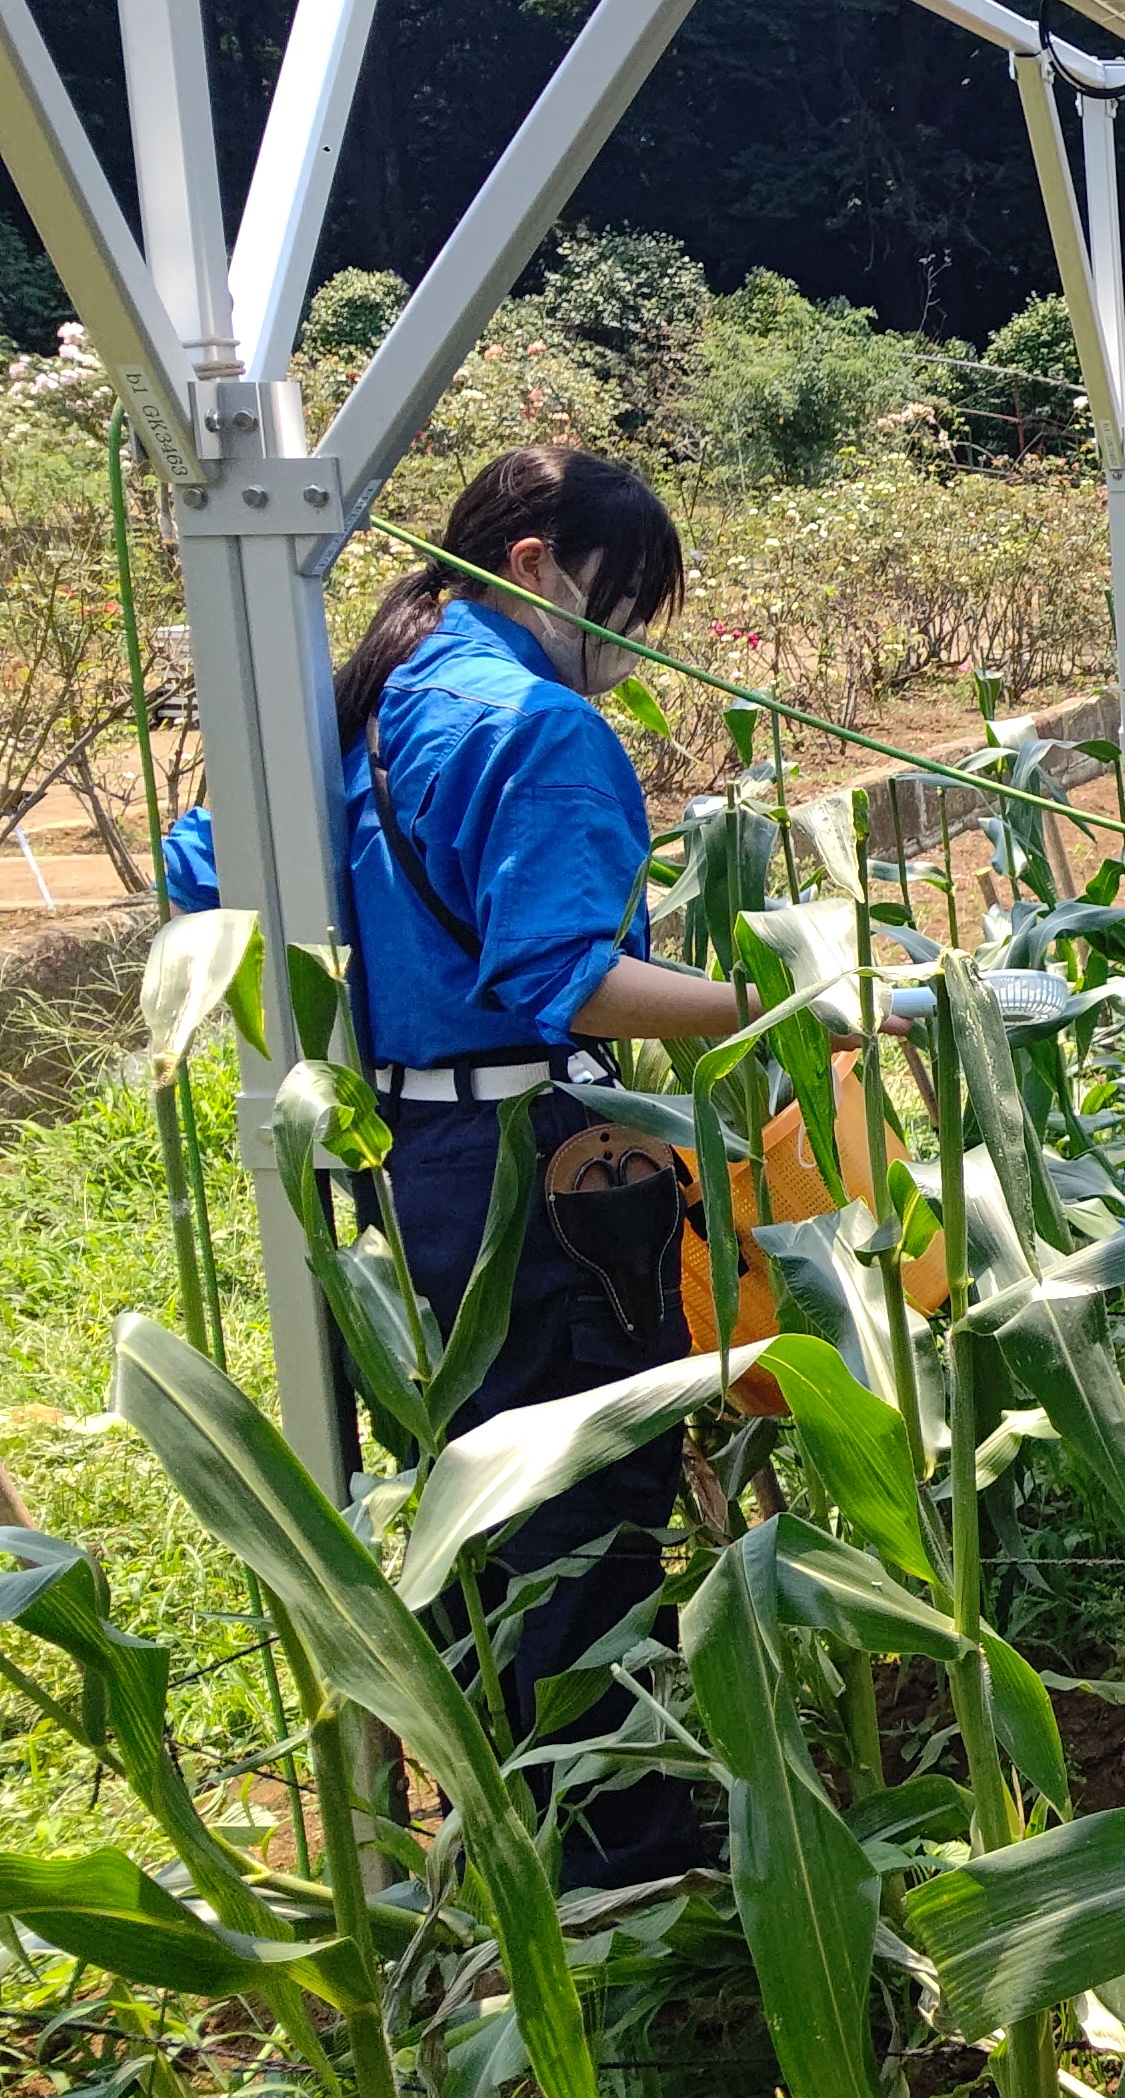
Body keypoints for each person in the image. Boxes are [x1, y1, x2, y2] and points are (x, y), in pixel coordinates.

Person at [340, 443, 800, 1888]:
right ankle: (624, 1865)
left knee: (469, 1494)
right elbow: (564, 976)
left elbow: (197, 857)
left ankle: (509, 1827)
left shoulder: (361, 704)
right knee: (591, 1500)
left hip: (397, 1154)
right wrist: (784, 1000)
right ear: (535, 565)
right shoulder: (537, 726)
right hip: (543, 1160)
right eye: (626, 600)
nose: (630, 643)